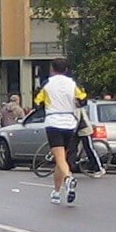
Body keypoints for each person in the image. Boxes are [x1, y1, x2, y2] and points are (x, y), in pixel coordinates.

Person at [34, 58, 88, 205]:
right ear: (66, 70)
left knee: (60, 159)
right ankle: (57, 192)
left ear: (52, 69)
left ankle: (68, 178)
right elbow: (83, 100)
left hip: (54, 123)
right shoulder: (73, 84)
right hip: (70, 124)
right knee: (61, 159)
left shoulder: (47, 84)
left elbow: (37, 103)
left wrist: (45, 105)